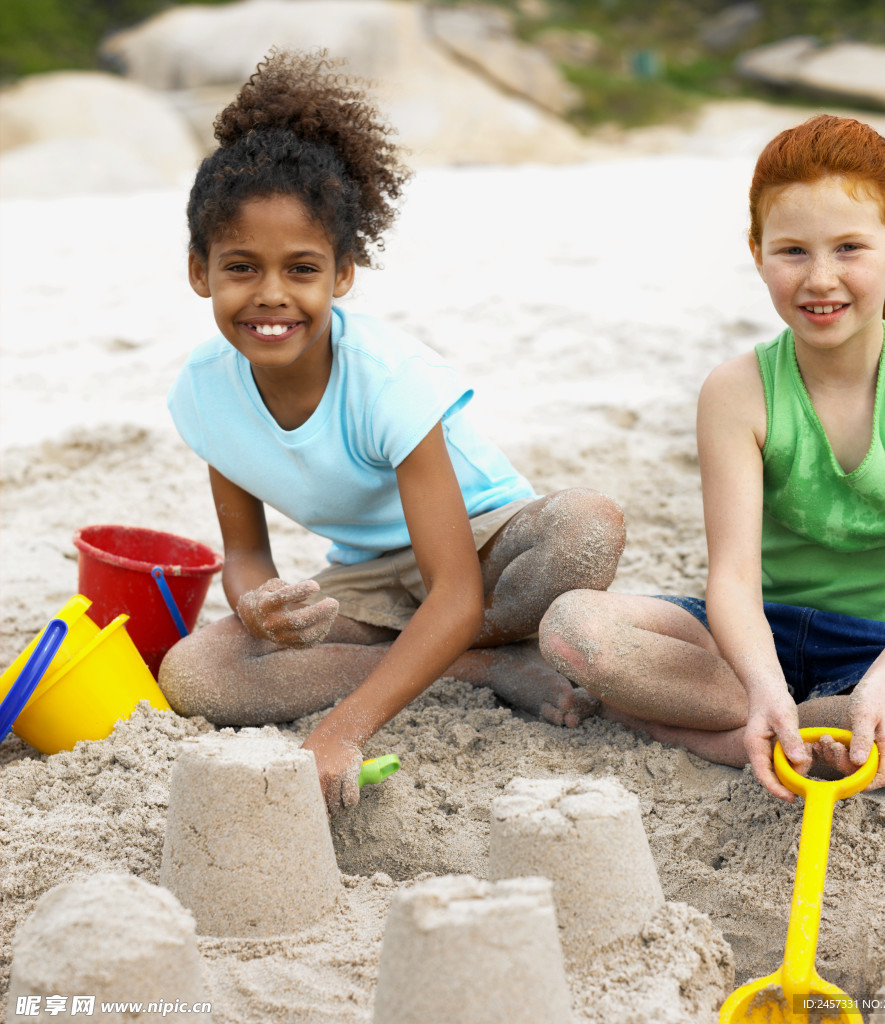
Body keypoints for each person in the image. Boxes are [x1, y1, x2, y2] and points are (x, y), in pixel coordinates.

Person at [159, 51, 625, 813]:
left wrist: (341, 731)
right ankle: (482, 669)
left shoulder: (386, 379)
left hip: (485, 548)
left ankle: (462, 647)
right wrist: (254, 606)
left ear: (342, 274)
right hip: (373, 577)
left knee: (586, 527)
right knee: (195, 673)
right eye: (241, 267)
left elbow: (454, 591)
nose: (271, 295)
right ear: (199, 271)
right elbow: (245, 555)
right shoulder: (204, 394)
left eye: (301, 269)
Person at [539, 114, 885, 800]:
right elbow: (733, 579)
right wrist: (763, 683)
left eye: (848, 248)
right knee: (573, 627)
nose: (820, 278)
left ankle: (697, 728)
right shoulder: (736, 390)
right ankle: (771, 721)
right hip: (755, 640)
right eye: (792, 252)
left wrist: (881, 685)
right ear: (757, 253)